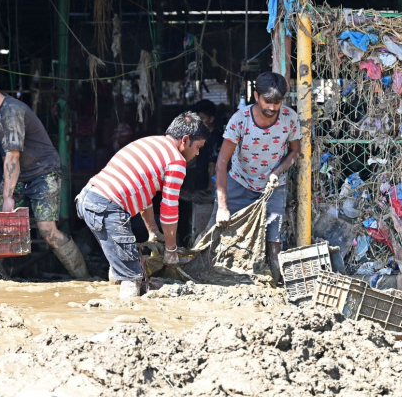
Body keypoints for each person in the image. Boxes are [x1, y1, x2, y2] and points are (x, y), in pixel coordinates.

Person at [0, 71, 89, 279]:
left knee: (47, 231)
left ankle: (84, 278)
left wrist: (9, 197)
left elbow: (12, 157)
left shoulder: (11, 112)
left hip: (43, 172)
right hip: (23, 174)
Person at [75, 112, 209, 298]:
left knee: (121, 263)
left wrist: (153, 231)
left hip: (88, 199)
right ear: (185, 140)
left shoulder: (150, 142)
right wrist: (171, 251)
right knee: (133, 276)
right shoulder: (176, 161)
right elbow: (169, 210)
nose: (198, 153)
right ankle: (130, 317)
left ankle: (113, 297)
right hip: (108, 206)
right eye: (198, 147)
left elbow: (144, 196)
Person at [209, 72, 301, 283]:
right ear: (256, 96)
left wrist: (276, 173)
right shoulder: (239, 120)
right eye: (267, 101)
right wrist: (223, 206)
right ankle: (210, 277)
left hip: (273, 187)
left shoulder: (290, 118)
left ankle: (273, 282)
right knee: (218, 229)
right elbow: (222, 163)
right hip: (239, 181)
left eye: (277, 103)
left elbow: (295, 151)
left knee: (273, 238)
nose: (272, 107)